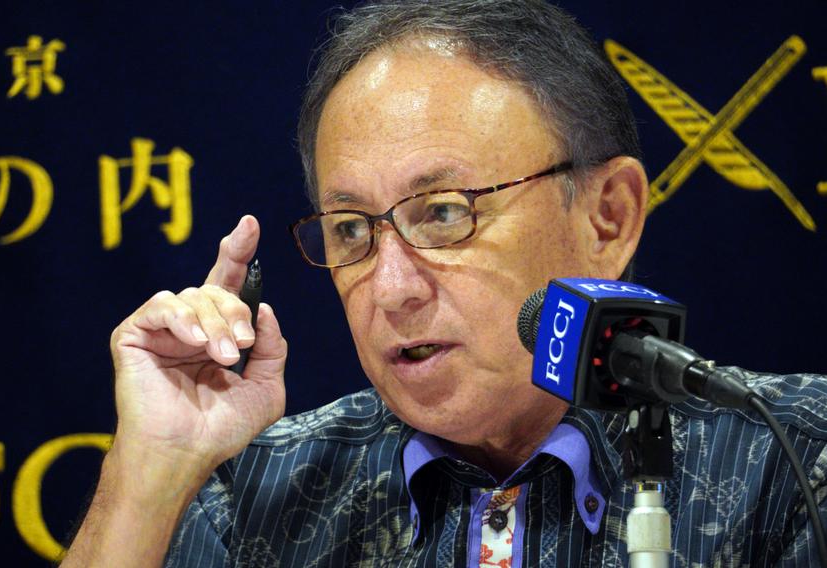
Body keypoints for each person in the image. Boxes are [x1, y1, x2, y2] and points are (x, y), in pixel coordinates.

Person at [61, 1, 827, 566]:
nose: (391, 288)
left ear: (608, 218)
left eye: (445, 213)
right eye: (352, 229)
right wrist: (148, 474)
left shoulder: (792, 463)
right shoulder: (255, 492)